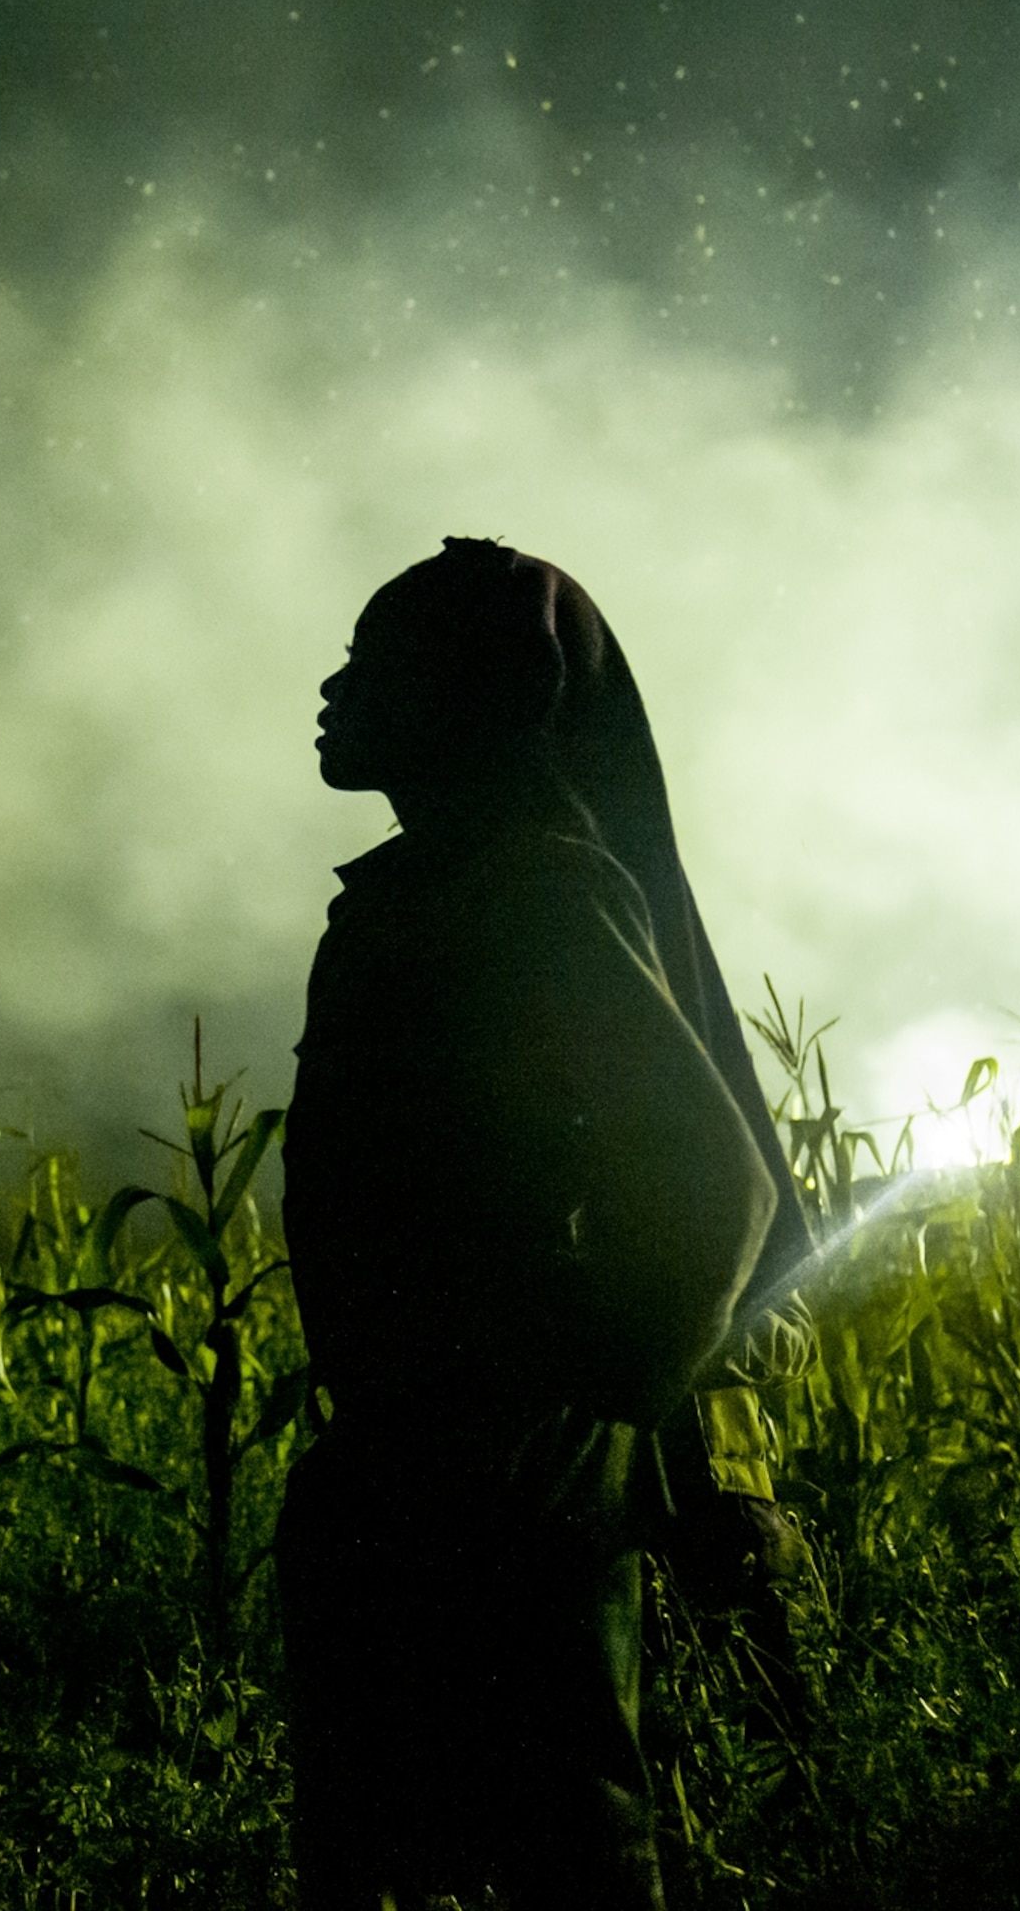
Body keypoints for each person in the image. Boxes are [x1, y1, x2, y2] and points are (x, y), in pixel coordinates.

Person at [276, 537, 785, 1910]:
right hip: (447, 1478)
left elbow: (709, 1184)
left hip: (499, 1494)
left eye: (373, 664)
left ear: (468, 693)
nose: (332, 689)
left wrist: (568, 1408)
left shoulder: (528, 895)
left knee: (560, 1857)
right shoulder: (460, 884)